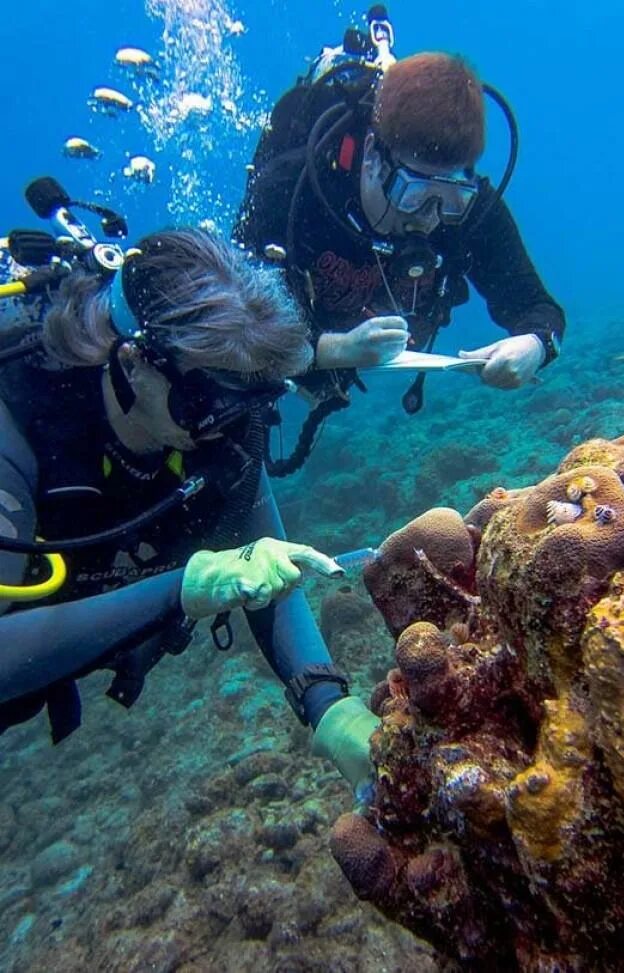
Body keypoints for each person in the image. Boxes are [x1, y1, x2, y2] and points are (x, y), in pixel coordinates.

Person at [0, 225, 378, 805]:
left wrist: (330, 707)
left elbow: (270, 574)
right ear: (134, 361)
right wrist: (183, 589)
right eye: (210, 399)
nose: (230, 423)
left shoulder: (223, 430)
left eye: (256, 399)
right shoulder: (17, 421)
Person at [234, 39, 566, 463]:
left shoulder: (472, 209)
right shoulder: (290, 189)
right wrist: (332, 351)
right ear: (372, 155)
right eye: (414, 193)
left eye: (451, 198)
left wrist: (536, 346)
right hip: (295, 353)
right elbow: (237, 325)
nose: (428, 218)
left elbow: (538, 306)